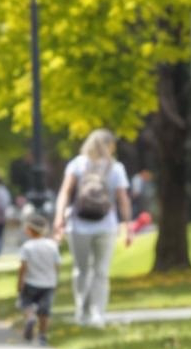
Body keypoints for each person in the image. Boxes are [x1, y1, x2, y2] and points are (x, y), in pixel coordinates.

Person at [52, 128, 132, 328]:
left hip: (78, 226)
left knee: (81, 270)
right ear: (109, 146)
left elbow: (65, 192)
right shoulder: (116, 167)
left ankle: (82, 312)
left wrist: (59, 218)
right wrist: (128, 225)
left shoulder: (77, 164)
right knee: (101, 271)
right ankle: (98, 314)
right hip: (107, 225)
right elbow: (123, 199)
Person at [16, 214, 61, 346]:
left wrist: (20, 283)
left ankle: (30, 318)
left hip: (30, 282)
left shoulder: (27, 247)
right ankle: (42, 335)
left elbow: (23, 267)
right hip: (48, 283)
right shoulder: (52, 245)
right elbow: (57, 265)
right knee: (44, 311)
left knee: (26, 304)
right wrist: (55, 279)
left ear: (29, 230)